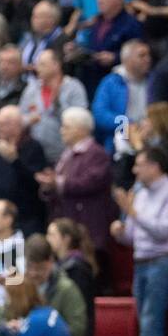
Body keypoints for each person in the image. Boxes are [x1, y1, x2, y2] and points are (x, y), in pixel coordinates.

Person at [112, 147, 168, 336]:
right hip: (140, 262)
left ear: (154, 166)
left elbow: (163, 231)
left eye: (139, 165)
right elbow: (131, 237)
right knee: (144, 322)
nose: (135, 170)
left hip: (162, 263)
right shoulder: (138, 193)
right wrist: (119, 232)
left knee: (150, 320)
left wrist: (133, 213)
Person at [37, 107, 115, 261]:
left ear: (81, 129)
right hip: (68, 228)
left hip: (88, 230)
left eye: (66, 127)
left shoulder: (96, 154)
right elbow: (59, 186)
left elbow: (90, 182)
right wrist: (48, 187)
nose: (61, 131)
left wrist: (58, 183)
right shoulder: (66, 155)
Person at [0, 106, 49, 235]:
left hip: (27, 218)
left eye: (3, 124)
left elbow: (36, 183)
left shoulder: (33, 147)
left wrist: (15, 160)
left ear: (18, 125)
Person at [19, 48, 88, 162]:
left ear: (56, 65)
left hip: (65, 154)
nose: (37, 68)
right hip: (34, 154)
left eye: (42, 64)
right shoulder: (31, 88)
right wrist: (29, 120)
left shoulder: (74, 87)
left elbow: (80, 122)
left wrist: (57, 104)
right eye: (37, 64)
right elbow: (20, 117)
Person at [92, 40, 153, 153]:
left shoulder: (153, 81)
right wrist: (126, 123)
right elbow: (100, 113)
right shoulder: (111, 82)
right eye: (141, 55)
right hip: (119, 141)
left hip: (150, 138)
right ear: (126, 60)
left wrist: (152, 122)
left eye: (148, 55)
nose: (148, 59)